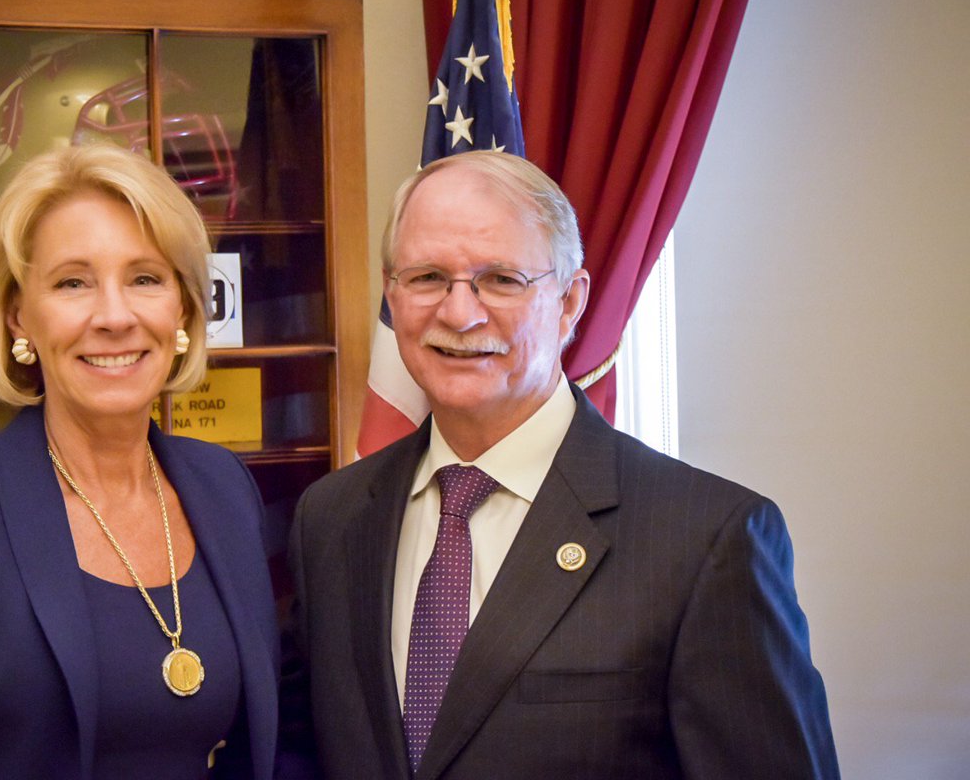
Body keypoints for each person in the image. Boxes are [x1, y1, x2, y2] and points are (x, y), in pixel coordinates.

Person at [288, 151, 840, 779]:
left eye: (502, 279)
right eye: (427, 277)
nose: (459, 313)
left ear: (570, 300)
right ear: (393, 294)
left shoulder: (707, 539)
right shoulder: (329, 519)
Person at [0, 143, 280, 779]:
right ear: (19, 316)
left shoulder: (223, 485)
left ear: (181, 307)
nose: (114, 316)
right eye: (73, 283)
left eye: (145, 278)